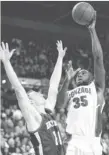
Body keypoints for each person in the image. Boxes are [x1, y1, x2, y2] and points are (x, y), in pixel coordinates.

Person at [0, 40, 67, 155]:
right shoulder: (34, 118)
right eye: (35, 93)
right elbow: (19, 89)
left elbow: (54, 85)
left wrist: (60, 57)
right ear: (30, 101)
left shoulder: (48, 111)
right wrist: (6, 62)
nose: (40, 93)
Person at [57, 11, 105, 155]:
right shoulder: (70, 92)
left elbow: (98, 58)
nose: (80, 73)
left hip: (92, 141)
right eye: (78, 73)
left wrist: (92, 30)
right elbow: (59, 105)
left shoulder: (97, 89)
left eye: (84, 72)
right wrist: (67, 79)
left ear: (92, 77)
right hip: (71, 141)